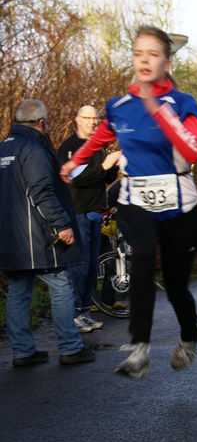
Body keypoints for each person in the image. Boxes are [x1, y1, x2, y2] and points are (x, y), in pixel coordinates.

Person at [59, 25, 197, 380]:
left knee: (176, 286)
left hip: (179, 205)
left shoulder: (183, 103)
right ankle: (139, 348)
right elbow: (101, 136)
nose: (144, 60)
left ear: (167, 63)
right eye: (139, 53)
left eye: (153, 54)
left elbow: (192, 149)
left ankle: (190, 333)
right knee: (140, 254)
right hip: (136, 199)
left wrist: (158, 109)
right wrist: (76, 160)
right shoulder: (120, 106)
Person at [0, 99, 95, 366]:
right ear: (42, 123)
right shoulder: (34, 148)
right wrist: (62, 224)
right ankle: (70, 347)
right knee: (61, 284)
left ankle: (22, 351)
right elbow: (42, 192)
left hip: (11, 237)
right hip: (37, 236)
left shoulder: (3, 149)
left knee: (19, 291)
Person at [58, 105, 120, 332]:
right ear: (77, 120)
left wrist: (114, 166)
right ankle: (74, 314)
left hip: (97, 212)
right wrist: (104, 165)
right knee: (79, 266)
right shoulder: (70, 146)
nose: (93, 122)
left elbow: (103, 178)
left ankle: (84, 311)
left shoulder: (99, 147)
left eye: (96, 118)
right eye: (88, 118)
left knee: (93, 266)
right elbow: (74, 179)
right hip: (79, 212)